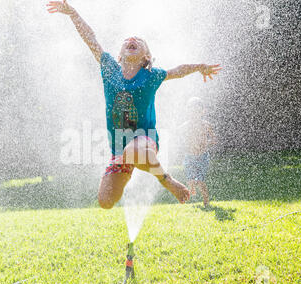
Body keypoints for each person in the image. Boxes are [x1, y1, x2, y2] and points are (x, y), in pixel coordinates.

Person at [47, 1, 221, 209]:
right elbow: (90, 38)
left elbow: (177, 70)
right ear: (119, 55)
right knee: (105, 201)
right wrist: (73, 13)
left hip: (145, 141)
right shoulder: (109, 69)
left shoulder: (151, 76)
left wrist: (199, 67)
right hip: (120, 150)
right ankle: (127, 168)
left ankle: (167, 180)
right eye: (127, 40)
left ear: (146, 57)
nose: (132, 39)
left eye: (139, 40)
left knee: (134, 149)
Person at [180, 97, 217, 208]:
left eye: (197, 111)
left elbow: (214, 140)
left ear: (202, 111)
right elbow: (180, 137)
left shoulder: (206, 125)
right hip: (189, 157)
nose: (194, 113)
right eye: (191, 111)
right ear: (188, 112)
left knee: (200, 181)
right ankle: (192, 188)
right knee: (190, 180)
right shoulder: (185, 126)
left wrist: (206, 143)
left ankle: (206, 201)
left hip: (202, 156)